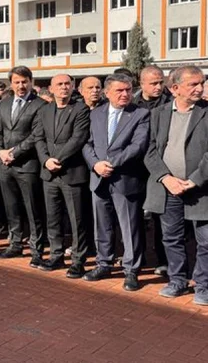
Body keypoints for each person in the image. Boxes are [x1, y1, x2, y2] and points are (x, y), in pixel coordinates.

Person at [144, 66, 208, 305]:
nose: (199, 88)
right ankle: (178, 281)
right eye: (193, 84)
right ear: (175, 88)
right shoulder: (158, 114)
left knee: (206, 240)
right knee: (171, 238)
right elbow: (149, 151)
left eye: (201, 83)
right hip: (168, 189)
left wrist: (194, 179)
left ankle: (203, 285)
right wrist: (166, 178)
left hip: (200, 189)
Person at [82, 73, 150, 291]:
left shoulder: (140, 114)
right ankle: (104, 263)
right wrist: (95, 164)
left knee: (130, 227)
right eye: (119, 90)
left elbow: (138, 146)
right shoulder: (96, 114)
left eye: (128, 90)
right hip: (99, 178)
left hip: (125, 179)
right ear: (107, 92)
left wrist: (109, 163)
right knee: (102, 225)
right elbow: (87, 143)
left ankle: (131, 270)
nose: (125, 94)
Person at [33, 74, 91, 277]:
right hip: (49, 174)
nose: (64, 87)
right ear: (51, 88)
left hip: (71, 172)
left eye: (67, 84)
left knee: (77, 220)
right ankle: (56, 256)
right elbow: (38, 138)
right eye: (59, 84)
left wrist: (57, 159)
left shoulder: (81, 108)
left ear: (73, 86)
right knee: (53, 218)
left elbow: (78, 138)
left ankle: (78, 260)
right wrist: (46, 160)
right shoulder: (44, 110)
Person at [0, 66, 47, 266]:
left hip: (27, 165)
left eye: (24, 81)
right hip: (5, 166)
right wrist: (0, 152)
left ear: (31, 82)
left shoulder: (40, 105)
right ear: (11, 83)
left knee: (33, 209)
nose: (21, 85)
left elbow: (36, 135)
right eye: (17, 82)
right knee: (11, 207)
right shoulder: (4, 104)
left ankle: (36, 249)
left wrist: (14, 152)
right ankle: (15, 244)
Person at [134, 65, 172, 275]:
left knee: (161, 218)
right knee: (135, 216)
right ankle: (136, 257)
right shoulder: (132, 103)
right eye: (153, 83)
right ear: (142, 84)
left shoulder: (171, 102)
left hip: (161, 168)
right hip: (136, 168)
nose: (159, 87)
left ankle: (163, 260)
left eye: (161, 82)